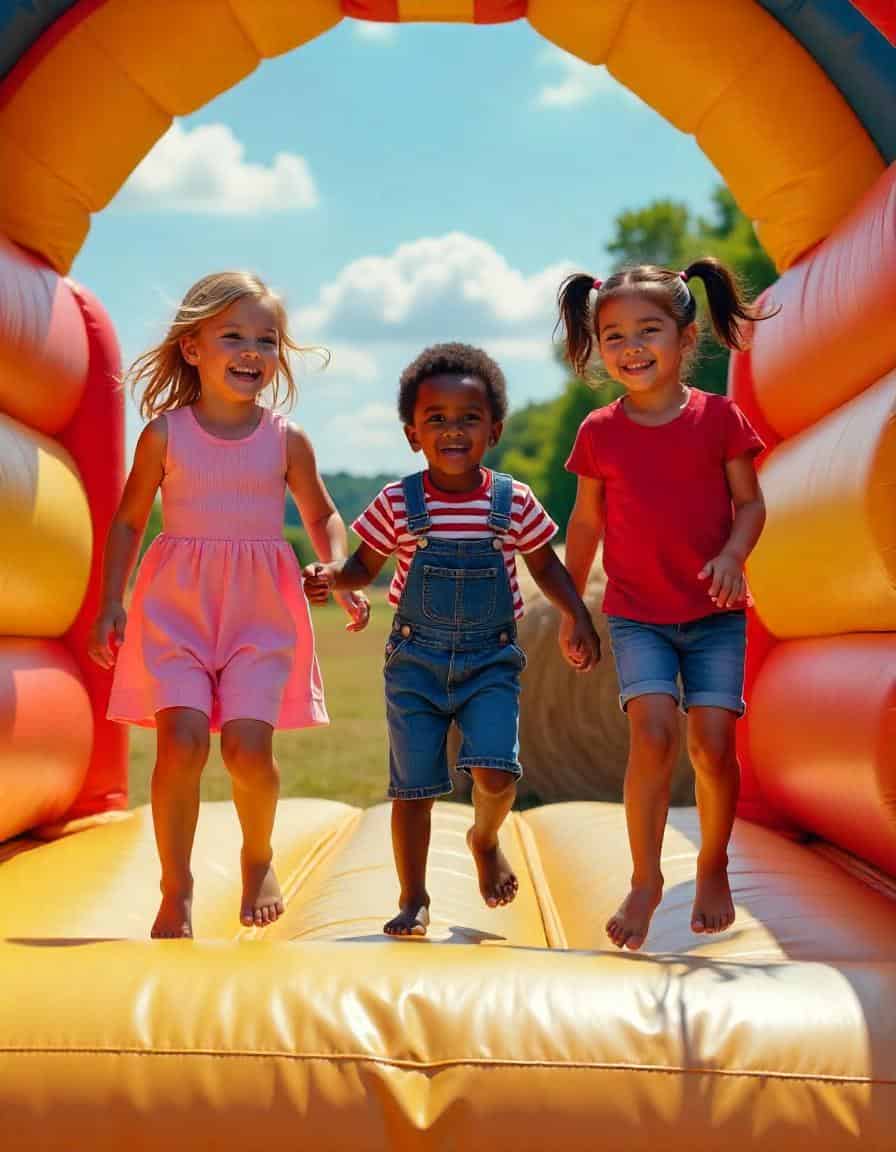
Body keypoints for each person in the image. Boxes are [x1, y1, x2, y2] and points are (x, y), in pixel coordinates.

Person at [88, 271, 369, 940]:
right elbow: (129, 522)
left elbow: (323, 513)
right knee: (180, 744)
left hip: (259, 615)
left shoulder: (286, 438)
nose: (252, 351)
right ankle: (176, 886)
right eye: (233, 336)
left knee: (248, 751)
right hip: (175, 610)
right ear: (192, 349)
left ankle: (257, 855)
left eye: (266, 339)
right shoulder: (164, 434)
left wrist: (340, 570)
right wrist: (112, 603)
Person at [304, 343, 600, 937]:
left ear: (493, 427)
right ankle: (414, 898)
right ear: (413, 434)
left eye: (468, 417)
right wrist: (333, 577)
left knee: (497, 775)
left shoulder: (511, 501)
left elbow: (545, 566)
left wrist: (578, 615)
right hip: (415, 662)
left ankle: (484, 836)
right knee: (413, 787)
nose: (452, 430)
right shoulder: (397, 502)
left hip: (491, 659)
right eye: (435, 419)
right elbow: (364, 566)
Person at [557, 258, 772, 951]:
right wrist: (571, 607)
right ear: (597, 347)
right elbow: (585, 523)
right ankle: (646, 879)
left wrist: (733, 557)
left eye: (648, 331)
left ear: (686, 337)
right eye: (613, 335)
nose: (630, 348)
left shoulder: (718, 418)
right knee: (652, 734)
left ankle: (712, 864)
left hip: (714, 613)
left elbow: (751, 503)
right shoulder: (599, 431)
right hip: (638, 613)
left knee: (711, 746)